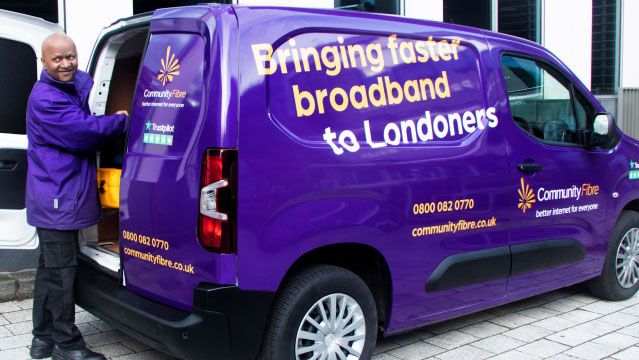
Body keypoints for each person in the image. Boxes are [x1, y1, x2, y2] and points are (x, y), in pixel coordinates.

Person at [25, 33, 128, 360]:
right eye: (57, 59)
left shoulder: (63, 88)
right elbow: (86, 132)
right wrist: (121, 121)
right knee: (60, 275)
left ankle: (41, 340)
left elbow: (80, 84)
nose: (66, 64)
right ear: (44, 62)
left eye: (71, 57)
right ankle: (66, 346)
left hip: (56, 197)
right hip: (56, 199)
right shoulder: (47, 99)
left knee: (49, 271)